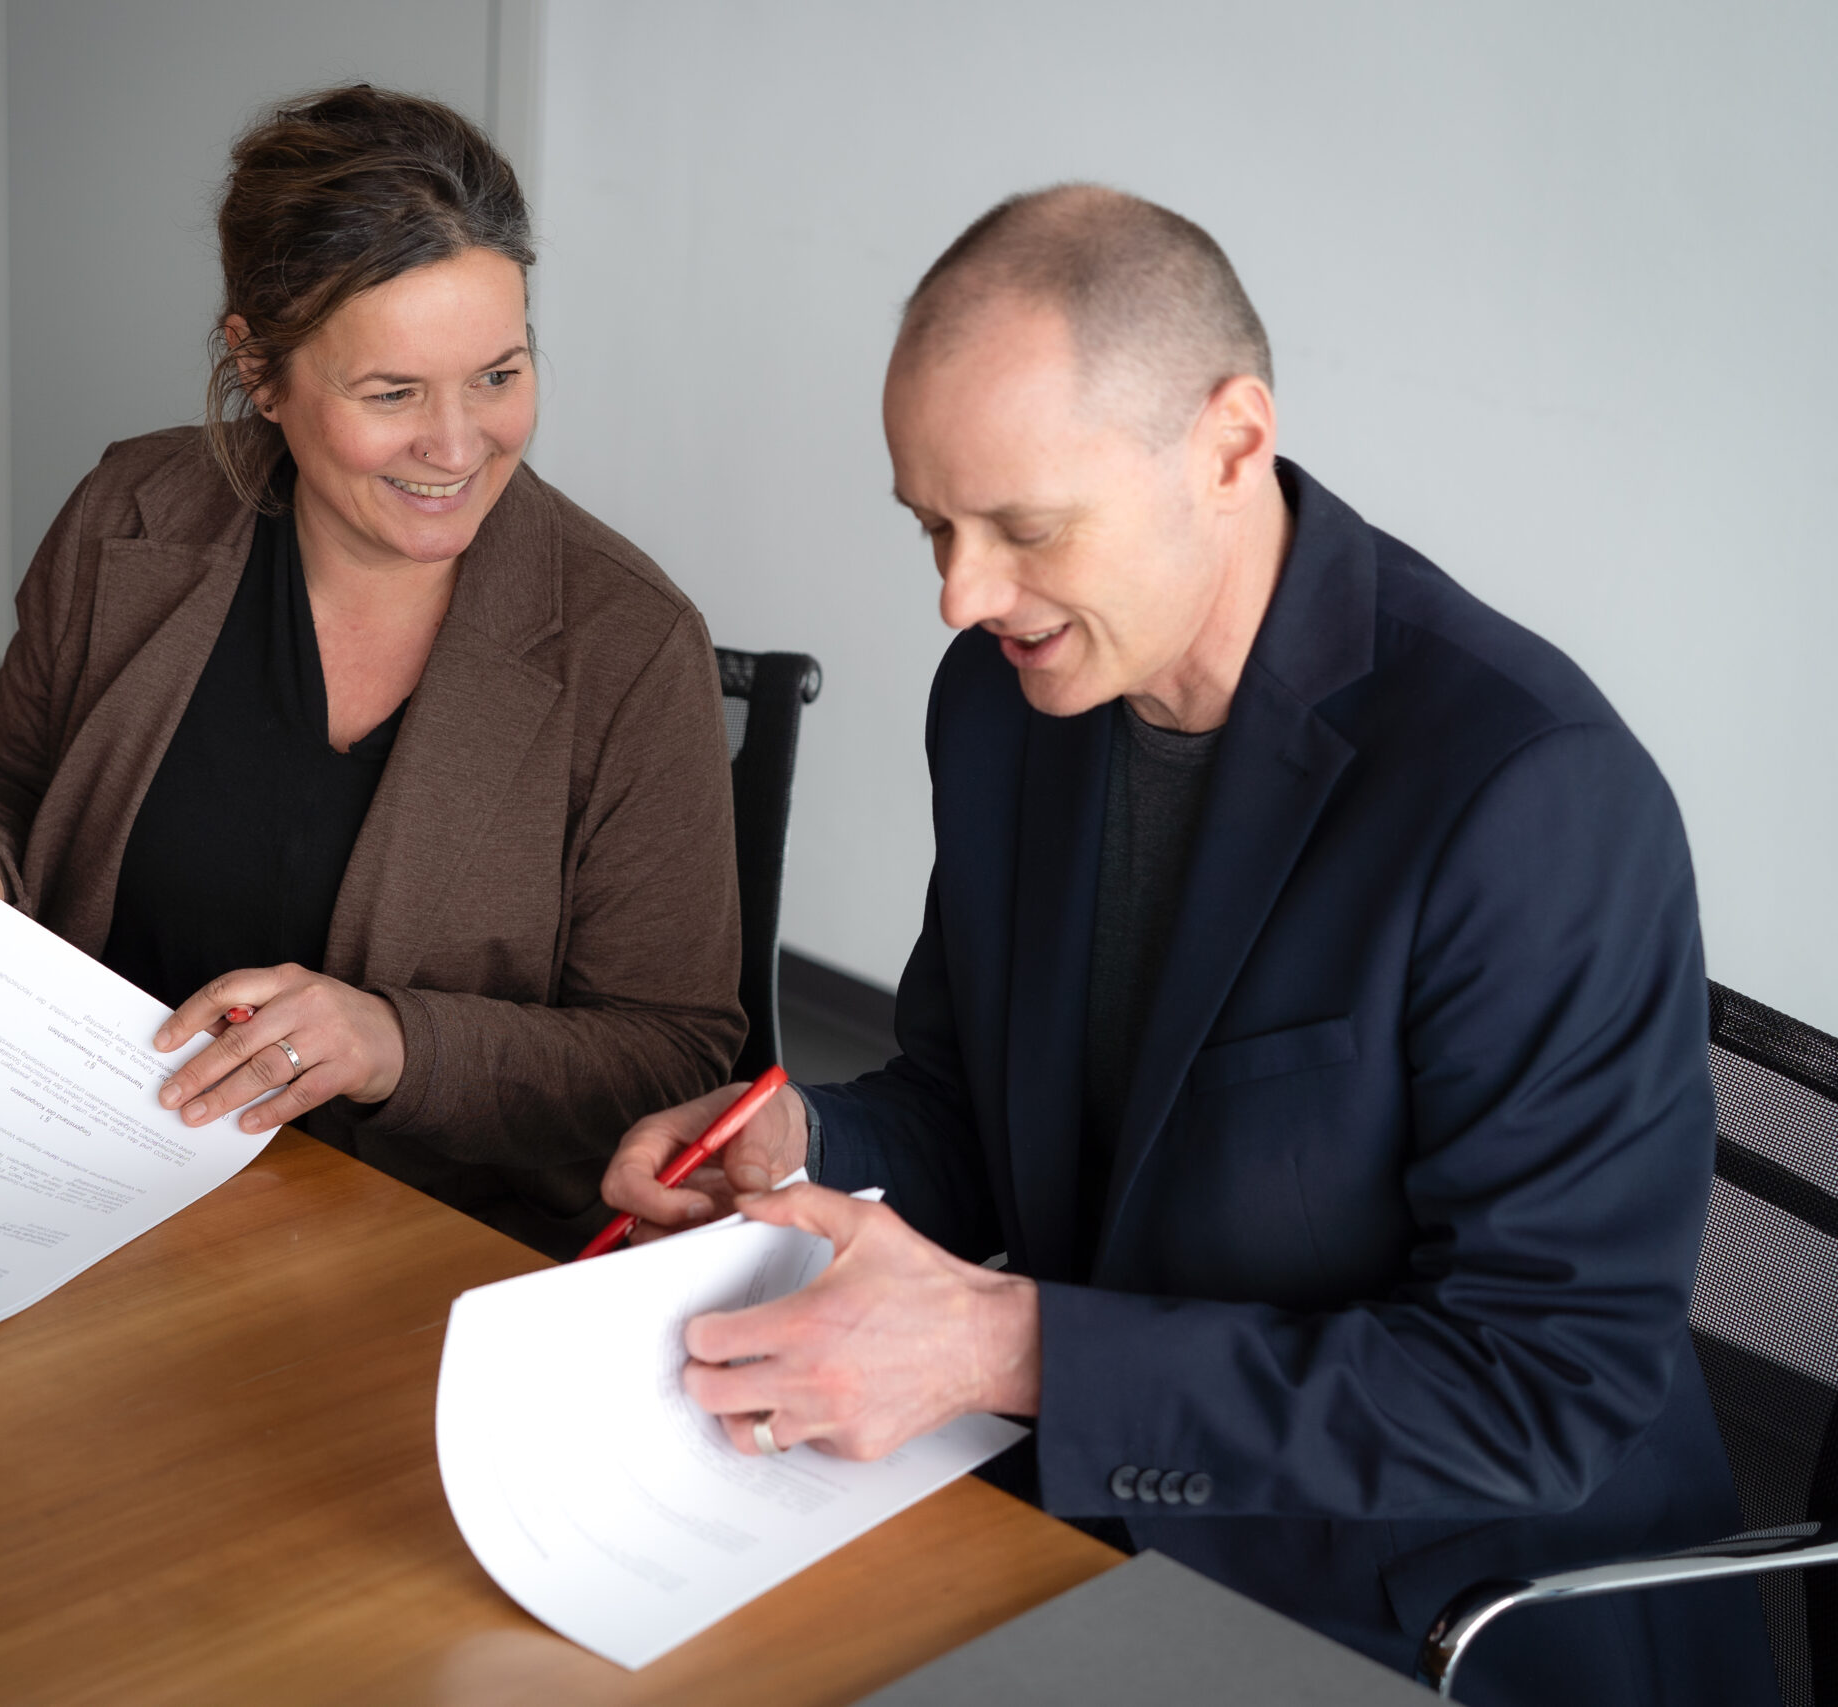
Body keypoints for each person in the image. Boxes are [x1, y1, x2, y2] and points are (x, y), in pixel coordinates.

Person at [599, 186, 1776, 1704]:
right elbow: (975, 1103)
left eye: (1024, 529)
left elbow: (1539, 1387)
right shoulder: (1012, 704)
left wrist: (1003, 1348)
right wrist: (803, 1138)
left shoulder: (1523, 789)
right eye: (932, 527)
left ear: (1230, 443)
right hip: (1103, 1512)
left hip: (1431, 1602)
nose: (964, 595)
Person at [0, 86, 744, 1260]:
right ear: (258, 366)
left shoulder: (628, 643)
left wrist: (395, 1043)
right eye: (392, 393)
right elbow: (1, 773)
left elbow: (673, 1050)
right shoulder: (126, 515)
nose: (457, 446)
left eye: (498, 375)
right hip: (81, 1177)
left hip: (416, 1251)